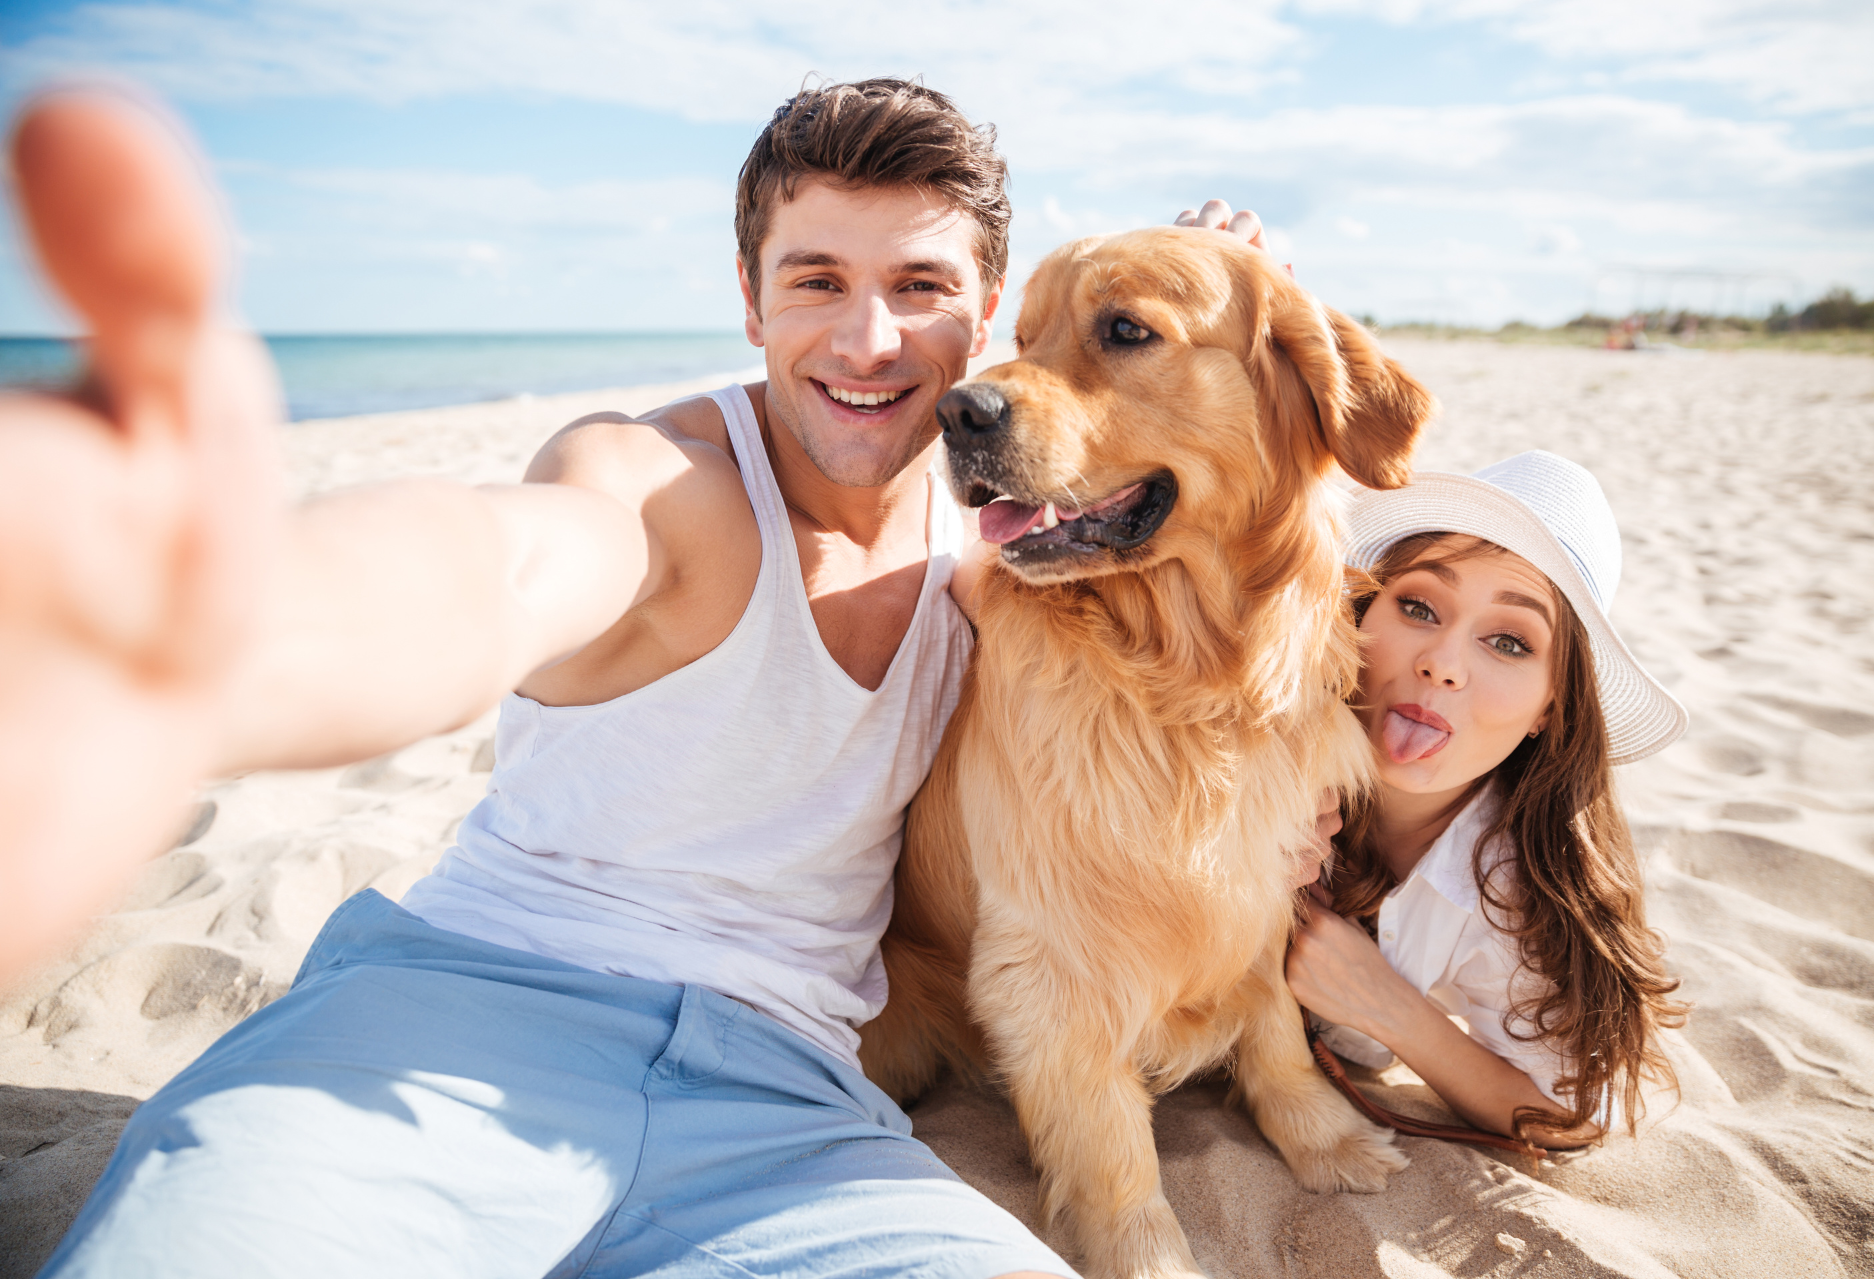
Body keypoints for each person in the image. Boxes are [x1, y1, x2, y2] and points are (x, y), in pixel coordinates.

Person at [7, 76, 1279, 1277]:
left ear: (985, 310)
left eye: (920, 284)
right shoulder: (664, 481)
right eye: (817, 279)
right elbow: (497, 573)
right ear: (749, 297)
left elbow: (1244, 561)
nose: (870, 336)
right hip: (460, 1021)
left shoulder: (1009, 545)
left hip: (794, 1101)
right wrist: (220, 629)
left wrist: (1211, 286)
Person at [1285, 451, 1691, 1148]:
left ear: (1549, 709)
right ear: (1359, 611)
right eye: (1417, 605)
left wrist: (1386, 1007)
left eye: (1508, 642)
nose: (1442, 663)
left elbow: (1575, 1118)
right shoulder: (1249, 727)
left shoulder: (1513, 882)